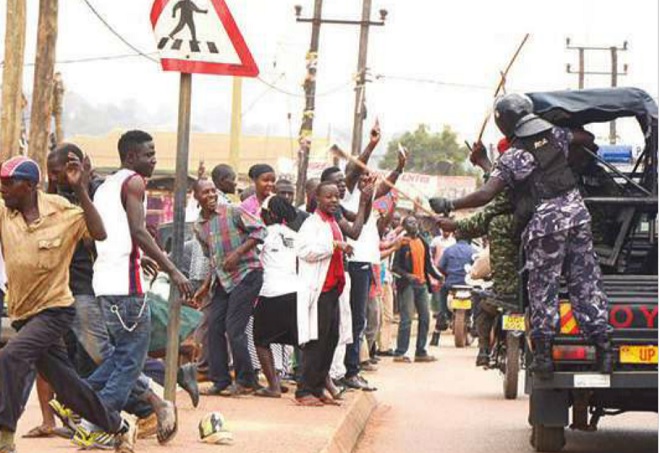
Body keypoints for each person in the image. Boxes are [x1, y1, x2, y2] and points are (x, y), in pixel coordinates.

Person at [429, 93, 613, 378]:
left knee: (544, 288)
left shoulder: (515, 155)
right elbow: (586, 138)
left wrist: (450, 205)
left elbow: (487, 193)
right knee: (585, 284)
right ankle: (604, 350)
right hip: (578, 218)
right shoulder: (556, 136)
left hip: (547, 227)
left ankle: (543, 357)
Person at [0, 155, 135, 453]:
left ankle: (4, 436)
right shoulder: (3, 213)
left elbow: (99, 233)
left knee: (10, 357)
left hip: (54, 310)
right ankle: (118, 425)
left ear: (30, 186)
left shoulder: (63, 212)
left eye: (9, 184)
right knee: (68, 388)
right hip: (23, 313)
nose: (3, 189)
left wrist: (82, 190)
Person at [82, 130, 192, 444]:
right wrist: (173, 271)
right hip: (126, 286)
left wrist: (139, 255)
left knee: (121, 357)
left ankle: (78, 398)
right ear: (131, 157)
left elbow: (110, 234)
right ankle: (99, 421)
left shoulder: (106, 186)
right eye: (149, 154)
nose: (154, 160)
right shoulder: (134, 182)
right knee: (130, 361)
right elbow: (138, 230)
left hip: (104, 283)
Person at [436, 137, 520, 366]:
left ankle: (483, 351)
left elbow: (488, 199)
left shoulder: (503, 213)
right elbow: (494, 186)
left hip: (511, 290)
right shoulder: (528, 171)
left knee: (484, 306)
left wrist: (453, 215)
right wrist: (483, 162)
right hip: (534, 289)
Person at [295, 182, 371, 406]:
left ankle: (318, 387)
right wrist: (334, 245)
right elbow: (304, 251)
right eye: (328, 197)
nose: (334, 200)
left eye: (336, 197)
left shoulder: (332, 221)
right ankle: (304, 390)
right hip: (319, 290)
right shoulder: (311, 223)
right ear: (317, 199)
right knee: (316, 341)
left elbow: (355, 231)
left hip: (334, 289)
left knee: (332, 339)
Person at [193, 179, 267, 396]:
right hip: (223, 281)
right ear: (196, 196)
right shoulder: (199, 226)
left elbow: (260, 231)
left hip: (247, 274)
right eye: (205, 192)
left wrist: (237, 254)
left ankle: (246, 380)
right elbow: (212, 259)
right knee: (214, 327)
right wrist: (205, 286)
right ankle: (220, 380)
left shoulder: (233, 211)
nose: (211, 196)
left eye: (212, 191)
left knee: (234, 329)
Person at [253, 195, 300, 397]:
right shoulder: (293, 235)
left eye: (263, 212)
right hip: (294, 290)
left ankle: (273, 385)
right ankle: (315, 382)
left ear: (270, 214)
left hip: (270, 292)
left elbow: (254, 257)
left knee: (261, 340)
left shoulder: (263, 234)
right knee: (300, 341)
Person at [391, 216, 443, 362]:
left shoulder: (423, 242)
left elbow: (428, 265)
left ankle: (421, 352)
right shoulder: (402, 243)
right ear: (405, 226)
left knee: (425, 317)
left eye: (415, 222)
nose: (413, 225)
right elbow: (395, 267)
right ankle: (400, 353)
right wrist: (408, 276)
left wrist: (438, 276)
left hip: (422, 284)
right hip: (408, 285)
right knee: (406, 318)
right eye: (410, 223)